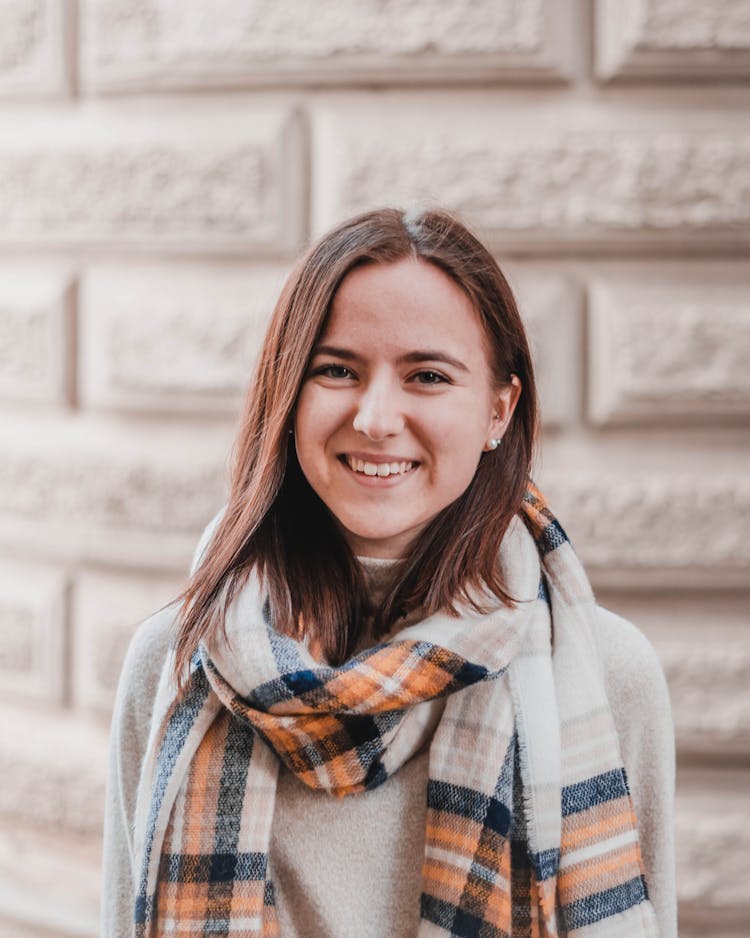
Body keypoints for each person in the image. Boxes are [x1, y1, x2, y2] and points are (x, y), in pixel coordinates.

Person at [102, 207, 676, 938]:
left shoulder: (606, 675)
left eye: (428, 376)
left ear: (499, 409)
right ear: (289, 394)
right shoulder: (176, 664)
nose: (376, 417)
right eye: (337, 370)